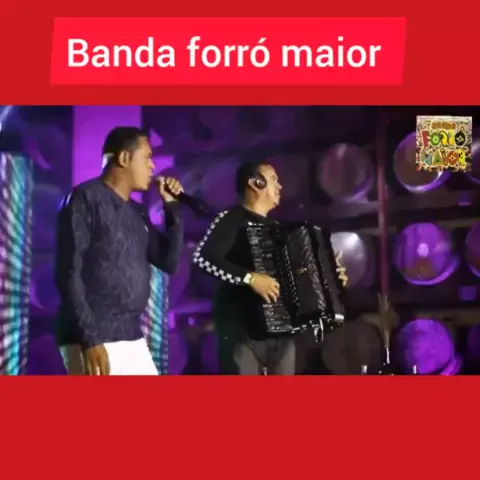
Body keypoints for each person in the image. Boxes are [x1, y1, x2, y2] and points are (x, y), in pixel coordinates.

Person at [54, 126, 184, 375]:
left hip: (131, 335)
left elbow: (169, 262)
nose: (153, 166)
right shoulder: (85, 199)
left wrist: (172, 210)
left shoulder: (137, 212)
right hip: (92, 336)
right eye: (147, 157)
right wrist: (90, 339)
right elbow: (68, 272)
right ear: (124, 158)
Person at [193, 160, 293, 375]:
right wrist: (250, 278)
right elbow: (204, 258)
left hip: (281, 336)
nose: (280, 186)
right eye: (273, 179)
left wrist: (327, 279)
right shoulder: (231, 220)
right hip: (242, 335)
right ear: (256, 183)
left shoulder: (278, 230)